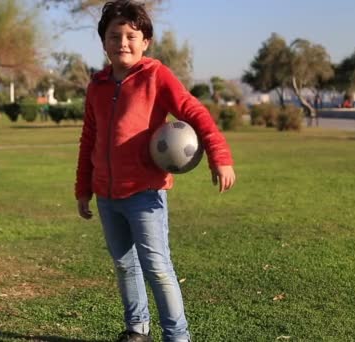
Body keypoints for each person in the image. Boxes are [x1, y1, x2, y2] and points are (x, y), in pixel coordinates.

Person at [74, 1, 236, 341]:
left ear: (145, 41)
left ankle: (177, 337)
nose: (123, 42)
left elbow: (195, 112)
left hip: (145, 194)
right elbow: (89, 138)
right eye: (114, 35)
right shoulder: (97, 86)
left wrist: (219, 155)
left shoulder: (156, 76)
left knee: (158, 270)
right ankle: (137, 331)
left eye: (131, 35)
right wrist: (83, 188)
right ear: (103, 41)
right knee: (124, 266)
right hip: (106, 195)